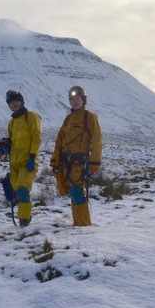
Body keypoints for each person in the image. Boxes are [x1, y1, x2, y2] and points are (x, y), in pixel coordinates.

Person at [50, 85, 103, 226]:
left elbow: (97, 140)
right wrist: (55, 162)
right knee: (72, 193)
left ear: (83, 100)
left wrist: (95, 162)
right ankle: (77, 224)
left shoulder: (90, 117)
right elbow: (59, 141)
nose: (74, 102)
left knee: (77, 192)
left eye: (77, 98)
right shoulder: (68, 119)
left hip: (81, 162)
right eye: (72, 99)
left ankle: (84, 225)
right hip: (67, 162)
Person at [1, 90, 42, 227]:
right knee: (17, 192)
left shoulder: (31, 117)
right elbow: (11, 141)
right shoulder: (11, 123)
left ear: (22, 101)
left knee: (23, 190)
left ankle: (24, 221)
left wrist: (32, 157)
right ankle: (24, 217)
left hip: (28, 162)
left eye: (16, 100)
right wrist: (5, 149)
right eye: (11, 102)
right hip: (14, 164)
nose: (14, 103)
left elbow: (36, 138)